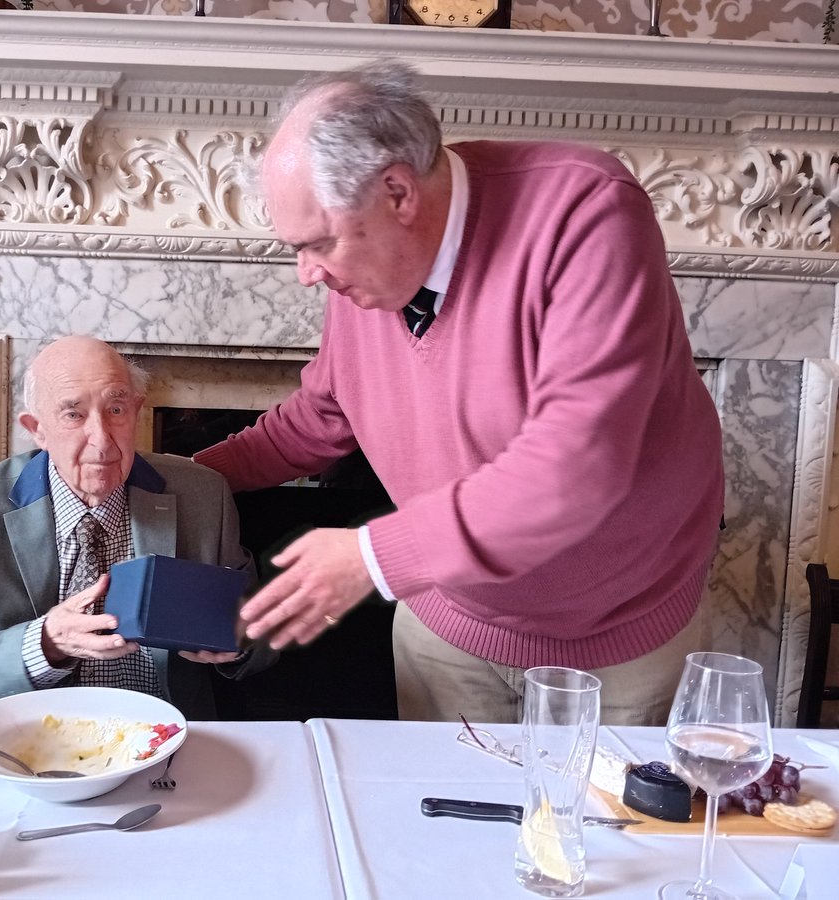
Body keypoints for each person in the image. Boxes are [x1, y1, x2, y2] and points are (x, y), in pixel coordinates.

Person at [192, 61, 725, 726]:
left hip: (618, 636)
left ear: (397, 193)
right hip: (447, 626)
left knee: (603, 829)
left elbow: (574, 468)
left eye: (319, 242)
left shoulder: (587, 213)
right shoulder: (366, 272)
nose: (307, 273)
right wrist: (172, 479)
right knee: (442, 824)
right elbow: (319, 419)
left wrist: (371, 555)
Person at [0, 335, 266, 718]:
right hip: (32, 743)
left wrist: (238, 641)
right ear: (37, 429)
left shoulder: (203, 494)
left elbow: (260, 639)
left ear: (136, 411)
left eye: (116, 409)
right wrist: (45, 643)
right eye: (73, 415)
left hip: (166, 740)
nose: (102, 440)